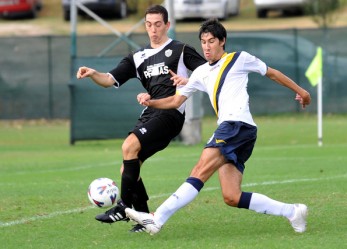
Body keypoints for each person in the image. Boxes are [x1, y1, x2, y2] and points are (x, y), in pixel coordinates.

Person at [124, 18, 311, 235]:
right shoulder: (201, 72)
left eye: (211, 41)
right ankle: (293, 211)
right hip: (237, 131)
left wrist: (302, 92)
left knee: (199, 170)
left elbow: (272, 73)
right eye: (203, 41)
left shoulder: (239, 59)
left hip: (237, 125)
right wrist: (151, 101)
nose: (206, 46)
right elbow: (175, 101)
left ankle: (157, 218)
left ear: (222, 41)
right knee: (232, 196)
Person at [76, 5, 206, 232]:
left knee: (129, 146)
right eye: (149, 24)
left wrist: (188, 82)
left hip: (171, 113)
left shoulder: (181, 50)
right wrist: (93, 74)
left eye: (158, 24)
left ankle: (123, 207)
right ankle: (144, 219)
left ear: (168, 25)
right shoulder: (138, 57)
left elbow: (209, 72)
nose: (153, 29)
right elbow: (109, 79)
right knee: (128, 166)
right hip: (150, 113)